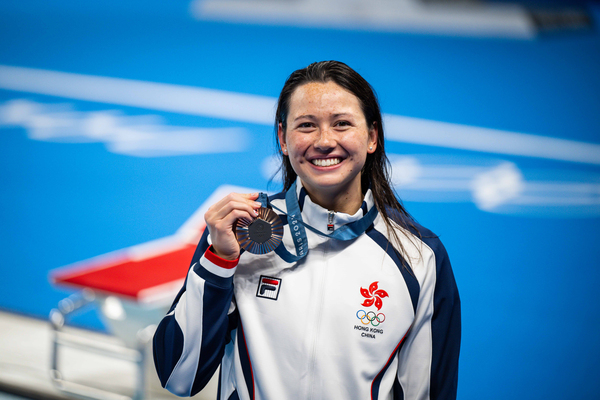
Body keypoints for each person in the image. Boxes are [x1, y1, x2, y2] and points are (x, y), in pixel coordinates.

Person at [153, 61, 461, 400]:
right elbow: (177, 376)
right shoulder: (242, 233)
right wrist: (218, 262)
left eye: (342, 124)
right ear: (283, 139)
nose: (325, 141)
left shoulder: (418, 256)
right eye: (307, 126)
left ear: (372, 137)